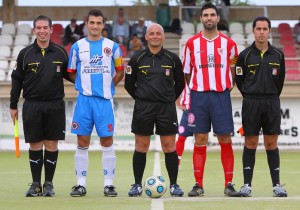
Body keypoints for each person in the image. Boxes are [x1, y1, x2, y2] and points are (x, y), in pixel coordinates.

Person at [10, 15, 71, 197]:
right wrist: (13, 105)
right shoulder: (25, 54)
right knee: (35, 144)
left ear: (52, 30)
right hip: (32, 105)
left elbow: (72, 76)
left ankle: (49, 184)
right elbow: (16, 80)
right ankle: (36, 184)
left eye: (46, 28)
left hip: (55, 105)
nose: (42, 31)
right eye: (39, 28)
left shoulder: (61, 52)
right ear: (34, 30)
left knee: (52, 144)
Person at [182, 2, 239, 197]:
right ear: (200, 19)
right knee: (200, 139)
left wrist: (224, 86)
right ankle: (198, 184)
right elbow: (187, 73)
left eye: (212, 15)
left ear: (217, 18)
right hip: (199, 97)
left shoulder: (229, 44)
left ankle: (229, 184)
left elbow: (234, 70)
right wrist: (198, 87)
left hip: (221, 96)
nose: (209, 18)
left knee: (225, 138)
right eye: (205, 15)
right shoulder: (191, 43)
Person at [68, 9, 124, 197]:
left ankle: (109, 184)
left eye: (98, 23)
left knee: (107, 141)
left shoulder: (113, 47)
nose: (95, 26)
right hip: (84, 101)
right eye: (92, 22)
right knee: (82, 141)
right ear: (87, 24)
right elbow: (71, 71)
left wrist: (109, 86)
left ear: (103, 25)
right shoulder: (77, 47)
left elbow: (120, 71)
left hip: (104, 102)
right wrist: (83, 86)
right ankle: (80, 184)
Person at [124, 23, 185, 197]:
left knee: (169, 145)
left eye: (159, 33)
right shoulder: (137, 58)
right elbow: (129, 84)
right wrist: (142, 98)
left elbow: (180, 83)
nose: (155, 36)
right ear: (146, 37)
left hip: (166, 107)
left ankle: (174, 185)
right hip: (144, 107)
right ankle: (136, 184)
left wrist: (168, 98)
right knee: (141, 146)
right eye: (152, 34)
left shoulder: (173, 59)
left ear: (163, 37)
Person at [235, 16, 287, 197]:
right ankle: (247, 185)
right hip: (251, 102)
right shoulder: (244, 55)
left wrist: (269, 95)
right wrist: (252, 95)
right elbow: (239, 81)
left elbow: (280, 82)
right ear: (253, 31)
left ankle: (277, 186)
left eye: (265, 29)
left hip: (272, 102)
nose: (262, 32)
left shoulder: (278, 55)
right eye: (259, 29)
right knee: (251, 143)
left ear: (270, 31)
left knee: (271, 144)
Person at [175, 86, 193, 168]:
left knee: (199, 138)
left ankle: (197, 164)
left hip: (201, 110)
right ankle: (177, 163)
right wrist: (178, 104)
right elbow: (176, 88)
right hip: (187, 111)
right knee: (181, 136)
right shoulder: (183, 76)